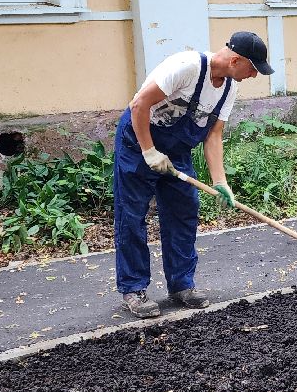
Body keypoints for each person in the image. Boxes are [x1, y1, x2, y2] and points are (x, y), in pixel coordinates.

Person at [113, 31, 273, 318]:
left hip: (177, 152)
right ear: (236, 60)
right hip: (137, 144)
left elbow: (214, 135)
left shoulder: (228, 88)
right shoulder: (186, 67)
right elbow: (139, 105)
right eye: (253, 69)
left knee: (184, 211)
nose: (253, 76)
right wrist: (149, 151)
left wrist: (220, 182)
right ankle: (134, 289)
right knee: (132, 215)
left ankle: (181, 285)